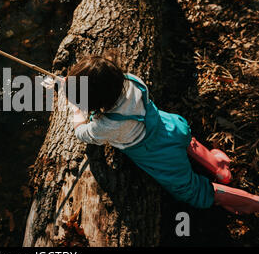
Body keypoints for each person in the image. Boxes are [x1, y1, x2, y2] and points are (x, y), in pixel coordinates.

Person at [65, 54, 259, 214]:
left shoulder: (108, 124)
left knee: (190, 190)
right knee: (187, 142)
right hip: (170, 125)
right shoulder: (129, 80)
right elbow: (102, 85)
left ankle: (250, 202)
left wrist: (77, 110)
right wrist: (79, 86)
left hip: (159, 153)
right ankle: (219, 168)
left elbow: (82, 133)